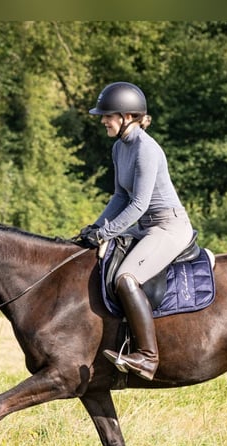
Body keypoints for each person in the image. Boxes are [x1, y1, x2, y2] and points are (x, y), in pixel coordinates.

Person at [80, 81, 194, 381]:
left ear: (128, 116)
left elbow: (140, 203)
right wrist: (97, 227)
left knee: (125, 277)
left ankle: (147, 357)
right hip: (146, 228)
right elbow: (120, 196)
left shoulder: (146, 149)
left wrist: (107, 234)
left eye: (108, 115)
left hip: (168, 226)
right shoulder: (120, 147)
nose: (103, 120)